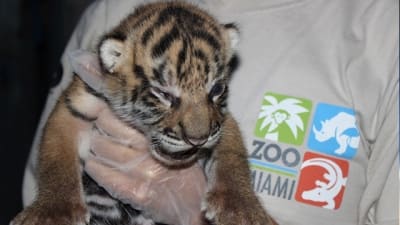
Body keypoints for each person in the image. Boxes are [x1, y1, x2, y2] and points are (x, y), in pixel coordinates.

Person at [21, 0, 399, 225]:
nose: (198, 131)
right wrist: (56, 196)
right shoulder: (113, 12)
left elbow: (222, 127)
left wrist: (201, 215)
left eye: (217, 90)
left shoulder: (381, 28)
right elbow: (65, 127)